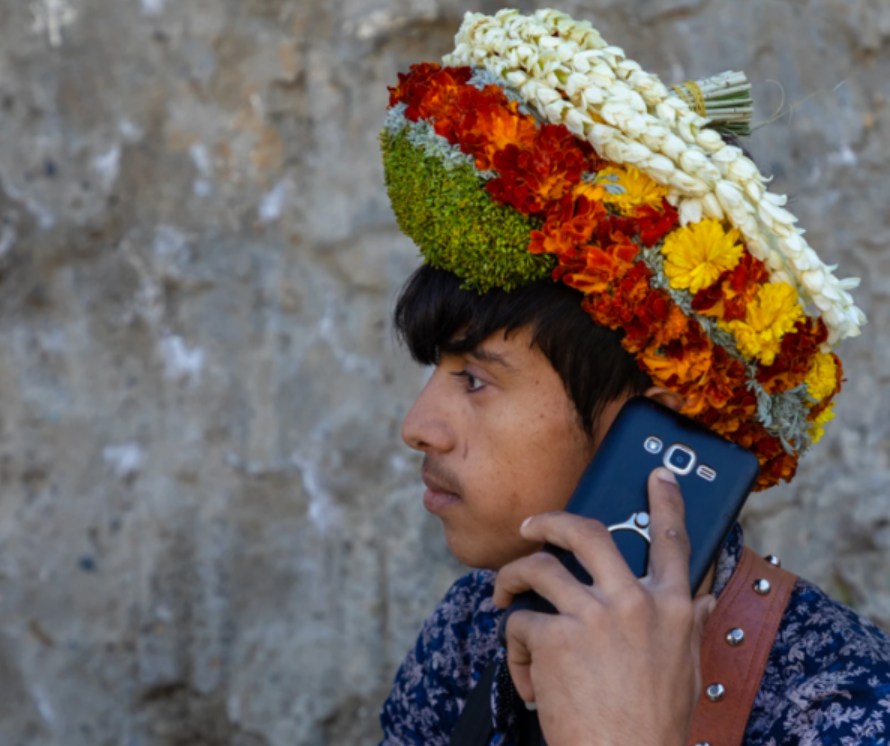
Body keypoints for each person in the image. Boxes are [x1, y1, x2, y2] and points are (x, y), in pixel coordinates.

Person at [376, 9, 887, 746]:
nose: (417, 426)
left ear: (654, 426)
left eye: (477, 380)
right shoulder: (470, 635)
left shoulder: (842, 707)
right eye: (439, 372)